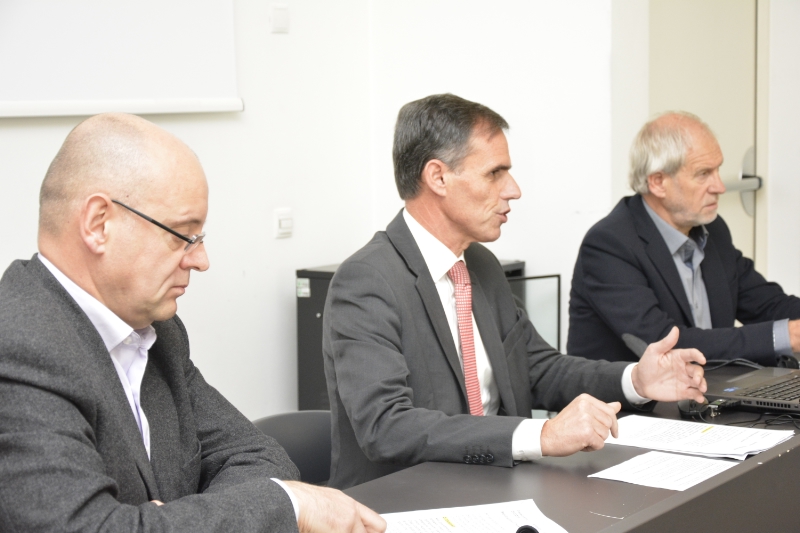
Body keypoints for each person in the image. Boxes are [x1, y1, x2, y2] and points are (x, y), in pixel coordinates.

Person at [0, 113, 385, 533]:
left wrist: (165, 522)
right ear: (98, 224)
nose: (201, 260)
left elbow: (259, 456)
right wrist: (289, 504)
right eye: (182, 236)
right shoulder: (17, 345)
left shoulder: (157, 334)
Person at [322, 94, 707, 490]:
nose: (514, 190)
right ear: (438, 178)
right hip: (404, 499)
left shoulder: (481, 265)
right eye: (494, 173)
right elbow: (386, 426)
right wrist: (540, 435)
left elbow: (539, 369)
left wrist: (636, 380)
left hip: (493, 486)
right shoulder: (367, 280)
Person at [568, 111, 800, 366]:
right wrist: (786, 336)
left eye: (718, 170)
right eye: (703, 174)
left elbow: (766, 304)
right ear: (658, 182)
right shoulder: (609, 245)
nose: (720, 187)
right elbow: (664, 345)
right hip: (639, 392)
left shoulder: (713, 229)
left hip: (711, 384)